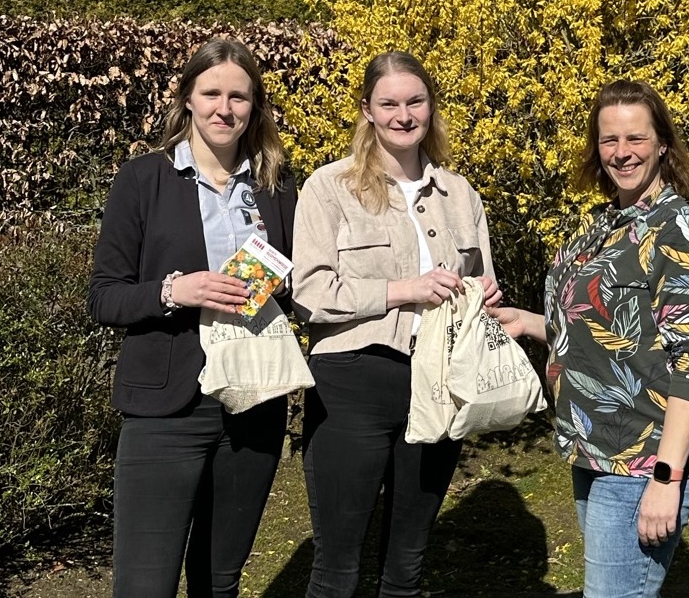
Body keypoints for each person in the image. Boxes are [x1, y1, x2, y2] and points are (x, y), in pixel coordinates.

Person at [490, 80, 689, 598]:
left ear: (663, 143)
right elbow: (607, 330)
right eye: (609, 140)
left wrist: (667, 477)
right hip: (595, 450)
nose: (622, 153)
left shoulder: (679, 232)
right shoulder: (603, 225)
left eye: (635, 139)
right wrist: (529, 323)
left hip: (645, 459)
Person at [88, 38, 297, 598]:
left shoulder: (275, 185)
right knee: (144, 586)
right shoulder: (144, 178)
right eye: (211, 93)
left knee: (219, 583)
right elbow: (105, 297)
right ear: (186, 97)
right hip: (165, 404)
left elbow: (301, 286)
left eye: (238, 96)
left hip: (255, 401)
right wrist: (176, 289)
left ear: (255, 107)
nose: (224, 108)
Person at [292, 50, 501, 598]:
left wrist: (485, 297)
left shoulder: (462, 195)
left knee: (406, 569)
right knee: (336, 571)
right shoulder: (328, 188)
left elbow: (481, 287)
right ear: (366, 109)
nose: (403, 115)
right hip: (352, 384)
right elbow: (310, 293)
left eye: (415, 102)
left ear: (431, 108)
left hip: (437, 382)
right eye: (388, 104)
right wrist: (402, 290)